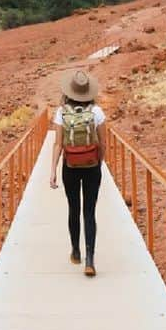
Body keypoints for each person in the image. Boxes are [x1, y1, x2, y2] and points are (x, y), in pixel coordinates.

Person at [50, 68, 106, 277]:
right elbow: (103, 143)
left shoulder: (61, 112)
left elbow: (57, 144)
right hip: (92, 166)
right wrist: (100, 165)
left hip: (70, 167)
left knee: (73, 209)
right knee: (89, 211)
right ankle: (90, 260)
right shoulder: (97, 112)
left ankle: (75, 252)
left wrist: (53, 170)